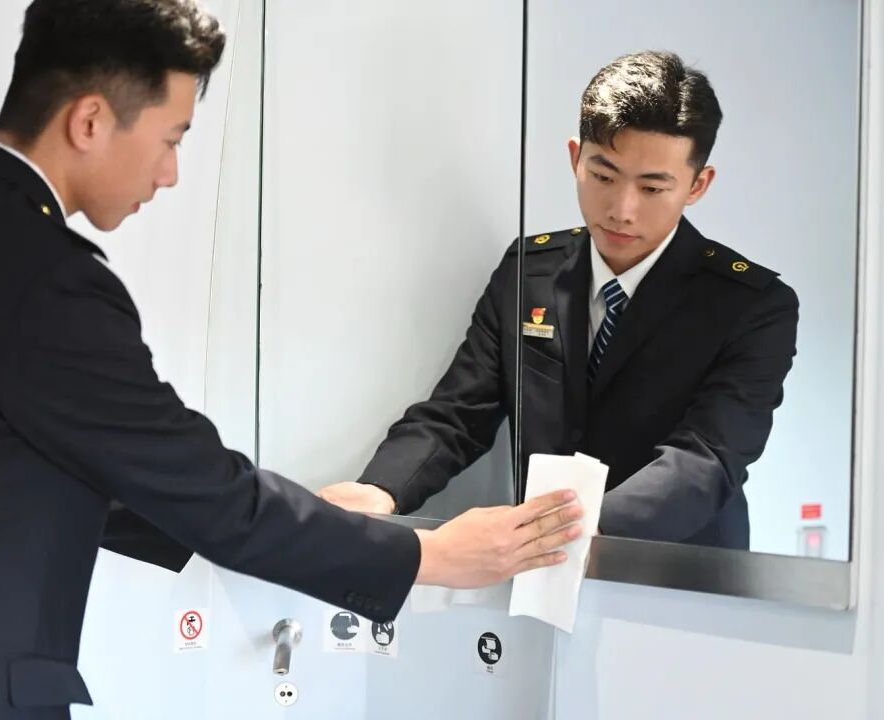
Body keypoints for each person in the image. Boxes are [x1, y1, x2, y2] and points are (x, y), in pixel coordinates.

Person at [0, 2, 582, 718]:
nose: (170, 174)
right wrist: (432, 557)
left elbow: (49, 467)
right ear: (89, 121)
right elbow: (205, 490)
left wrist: (283, 514)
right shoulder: (49, 283)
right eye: (170, 139)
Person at [320, 50, 799, 551]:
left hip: (682, 575)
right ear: (576, 158)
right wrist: (380, 489)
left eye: (652, 188)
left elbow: (706, 459)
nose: (622, 210)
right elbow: (459, 413)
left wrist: (576, 529)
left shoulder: (751, 306)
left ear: (698, 185)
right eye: (603, 176)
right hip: (540, 569)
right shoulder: (529, 270)